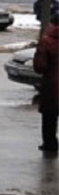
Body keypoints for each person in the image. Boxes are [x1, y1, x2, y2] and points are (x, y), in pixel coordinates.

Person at [34, 21, 58, 156]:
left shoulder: (46, 41)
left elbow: (40, 66)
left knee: (49, 117)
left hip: (52, 86)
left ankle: (50, 145)